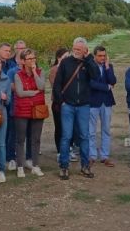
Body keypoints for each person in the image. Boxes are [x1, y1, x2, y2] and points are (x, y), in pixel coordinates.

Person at [53, 37, 100, 179]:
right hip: (68, 105)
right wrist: (61, 101)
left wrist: (89, 59)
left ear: (85, 50)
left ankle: (85, 166)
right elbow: (57, 84)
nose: (76, 51)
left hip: (84, 105)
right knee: (66, 136)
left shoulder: (88, 63)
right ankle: (64, 166)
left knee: (84, 136)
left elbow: (96, 76)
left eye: (79, 49)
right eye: (74, 49)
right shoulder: (66, 63)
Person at [11, 48, 47, 178]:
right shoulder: (17, 75)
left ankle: (35, 165)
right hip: (22, 111)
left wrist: (34, 73)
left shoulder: (41, 72)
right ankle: (20, 166)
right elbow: (20, 93)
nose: (32, 61)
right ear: (22, 61)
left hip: (37, 110)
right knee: (20, 139)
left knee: (36, 139)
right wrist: (34, 93)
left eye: (34, 58)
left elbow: (42, 87)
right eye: (29, 59)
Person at [87, 46, 117, 168]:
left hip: (106, 102)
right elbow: (91, 83)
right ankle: (92, 156)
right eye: (100, 56)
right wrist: (106, 87)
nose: (102, 58)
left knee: (106, 130)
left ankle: (105, 156)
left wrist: (107, 67)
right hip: (93, 102)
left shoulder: (108, 66)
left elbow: (113, 81)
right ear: (94, 56)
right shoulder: (89, 66)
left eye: (104, 56)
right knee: (91, 131)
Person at [48, 48, 69, 155]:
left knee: (68, 127)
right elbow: (55, 86)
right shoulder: (54, 70)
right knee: (59, 126)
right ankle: (59, 150)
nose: (67, 59)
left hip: (69, 101)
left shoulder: (69, 68)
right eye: (65, 57)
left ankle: (68, 148)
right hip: (58, 102)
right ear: (59, 58)